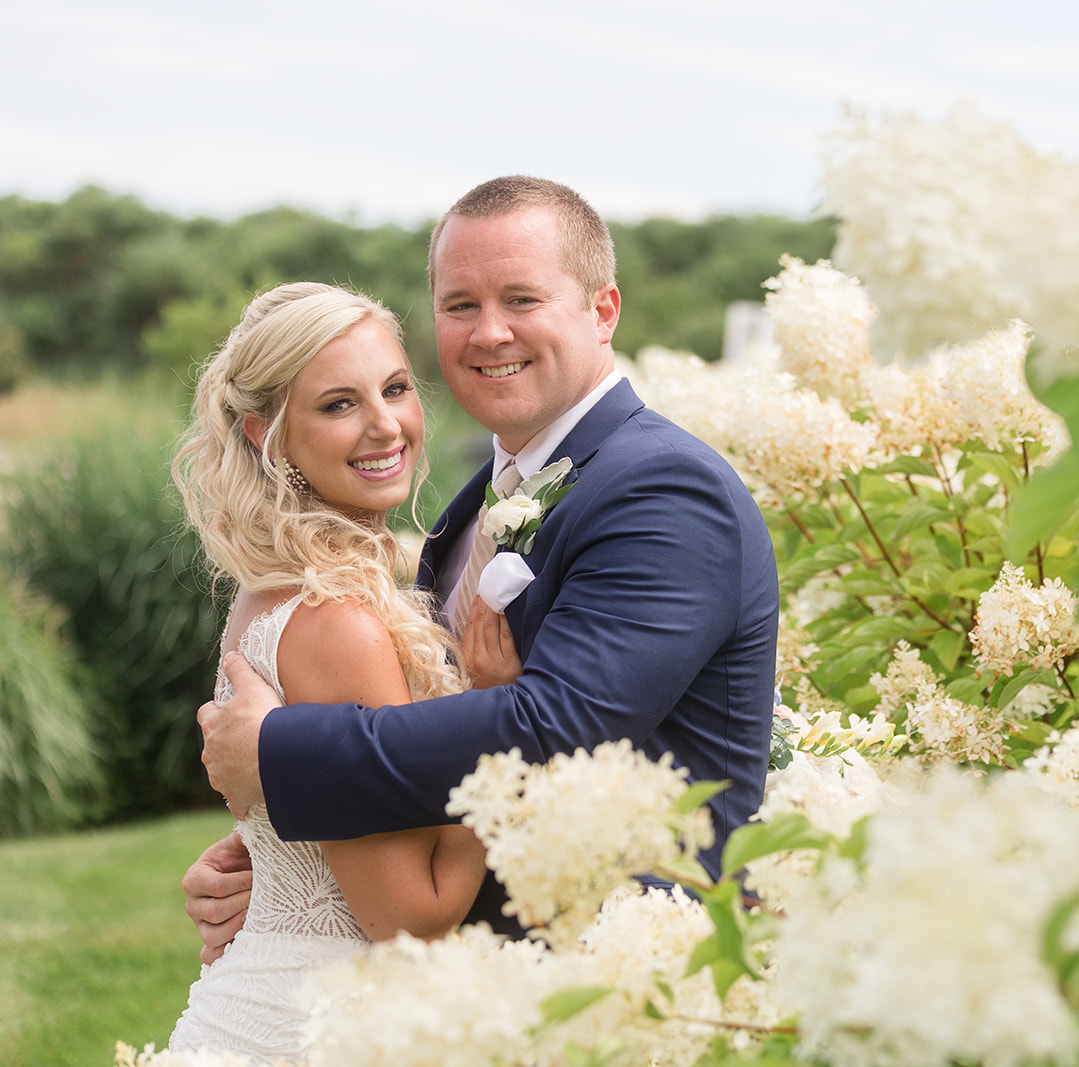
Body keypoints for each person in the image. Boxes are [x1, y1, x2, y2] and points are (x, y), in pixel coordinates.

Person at [186, 176, 780, 949]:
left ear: (603, 312)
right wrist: (280, 861)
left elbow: (556, 724)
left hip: (622, 964)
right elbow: (426, 737)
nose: (489, 332)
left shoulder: (664, 486)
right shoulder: (471, 507)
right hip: (491, 972)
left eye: (521, 299)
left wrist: (281, 754)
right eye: (461, 305)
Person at [164, 282, 517, 1061]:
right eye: (338, 404)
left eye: (394, 389)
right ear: (268, 435)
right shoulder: (336, 620)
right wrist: (497, 712)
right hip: (312, 1028)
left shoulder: (275, 591)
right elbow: (411, 918)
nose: (385, 423)